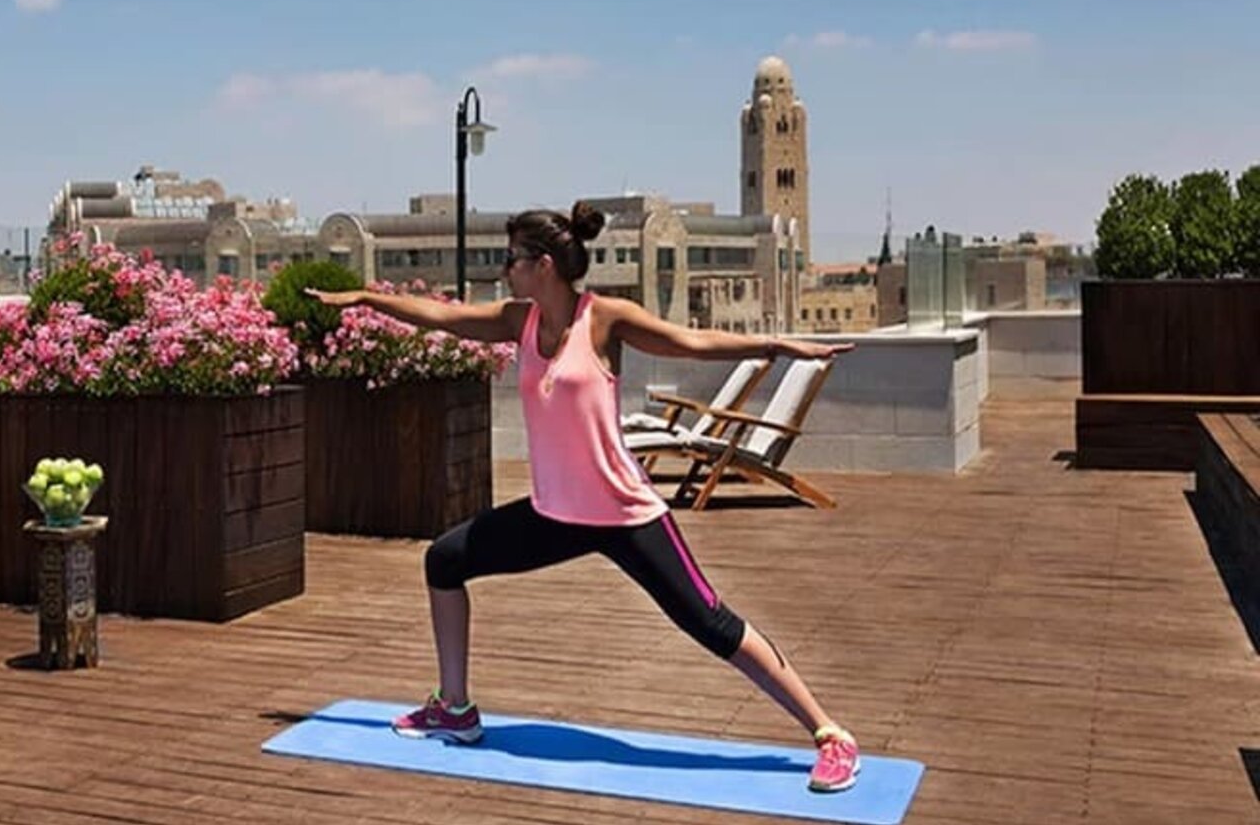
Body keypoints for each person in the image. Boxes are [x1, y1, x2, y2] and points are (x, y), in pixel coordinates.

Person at [306, 201, 862, 794]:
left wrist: (777, 346)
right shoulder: (515, 319)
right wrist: (368, 300)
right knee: (444, 559)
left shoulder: (604, 320)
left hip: (624, 513)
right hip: (554, 514)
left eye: (511, 259)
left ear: (542, 265)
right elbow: (442, 317)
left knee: (712, 623)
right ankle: (456, 708)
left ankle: (830, 734)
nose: (504, 269)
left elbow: (689, 342)